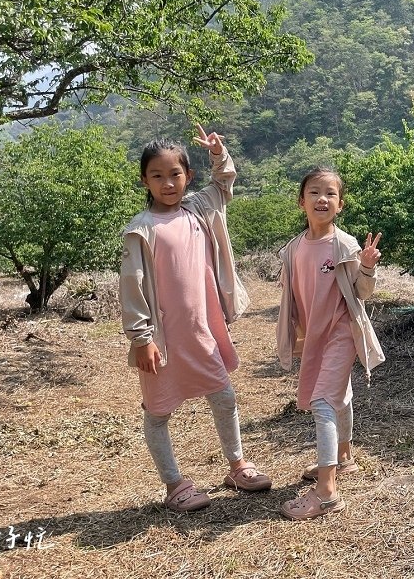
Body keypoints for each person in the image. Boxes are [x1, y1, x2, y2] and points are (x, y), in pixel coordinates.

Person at [119, 125, 271, 512]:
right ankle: (174, 484)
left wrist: (219, 153)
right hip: (164, 339)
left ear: (189, 176)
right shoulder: (141, 229)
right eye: (157, 175)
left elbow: (224, 183)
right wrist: (141, 338)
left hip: (201, 331)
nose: (167, 182)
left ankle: (237, 465)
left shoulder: (199, 209)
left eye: (175, 174)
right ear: (144, 180)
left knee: (223, 395)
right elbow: (132, 284)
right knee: (158, 412)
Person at [275, 166, 385, 520]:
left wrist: (366, 267)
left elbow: (362, 293)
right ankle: (345, 457)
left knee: (323, 401)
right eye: (314, 192)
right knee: (341, 394)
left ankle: (326, 491)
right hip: (314, 336)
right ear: (300, 201)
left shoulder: (345, 244)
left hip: (341, 332)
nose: (322, 199)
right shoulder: (292, 249)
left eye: (330, 194)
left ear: (341, 204)